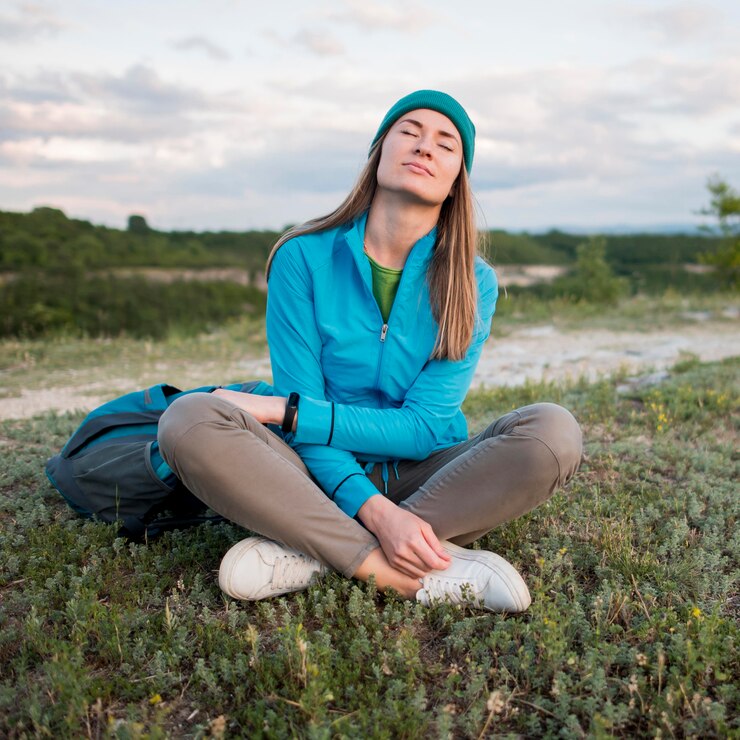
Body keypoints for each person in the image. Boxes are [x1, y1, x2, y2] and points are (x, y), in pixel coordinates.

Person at [157, 90, 582, 612]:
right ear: (379, 152)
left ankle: (310, 548)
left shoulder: (473, 282)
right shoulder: (302, 257)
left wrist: (285, 411)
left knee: (552, 432)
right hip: (309, 471)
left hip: (424, 469)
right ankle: (397, 570)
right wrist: (377, 513)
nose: (425, 147)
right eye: (409, 131)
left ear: (456, 183)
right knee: (189, 418)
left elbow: (424, 426)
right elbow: (303, 427)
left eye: (446, 144)